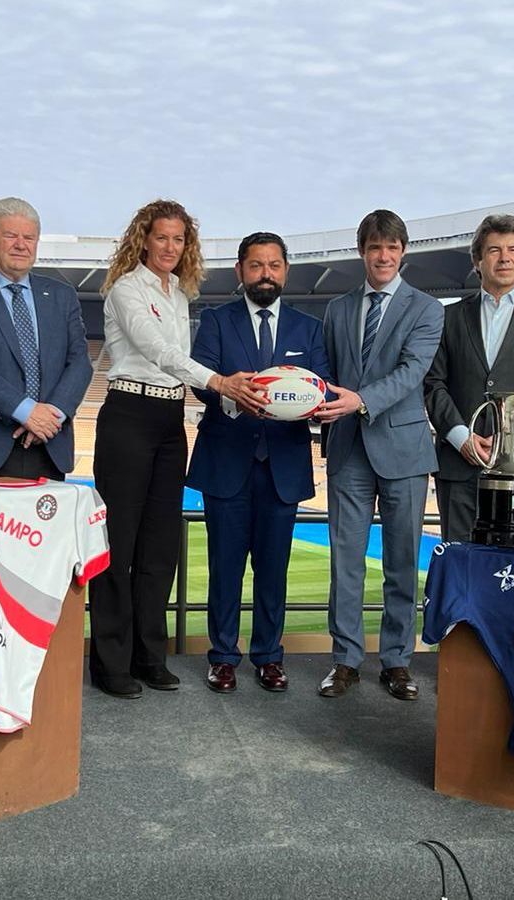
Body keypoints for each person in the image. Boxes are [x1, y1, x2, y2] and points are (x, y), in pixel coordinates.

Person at [89, 200, 262, 699]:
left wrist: (226, 393)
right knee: (118, 547)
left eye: (179, 239)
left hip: (168, 420)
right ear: (143, 238)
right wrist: (220, 383)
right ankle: (109, 663)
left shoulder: (179, 293)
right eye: (162, 237)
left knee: (160, 546)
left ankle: (149, 655)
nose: (170, 247)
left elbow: (176, 367)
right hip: (128, 414)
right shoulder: (126, 289)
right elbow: (160, 353)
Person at [186, 232, 330, 693]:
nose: (265, 274)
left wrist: (301, 402)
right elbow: (200, 382)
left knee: (274, 570)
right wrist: (230, 391)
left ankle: (269, 656)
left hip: (282, 468)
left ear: (285, 271)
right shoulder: (215, 321)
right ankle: (223, 656)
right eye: (255, 265)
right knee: (225, 569)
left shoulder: (308, 328)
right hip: (227, 461)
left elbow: (321, 387)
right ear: (240, 271)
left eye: (273, 265)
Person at [313, 209, 445, 701]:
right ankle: (345, 660)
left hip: (405, 451)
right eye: (374, 247)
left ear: (403, 252)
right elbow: (326, 372)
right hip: (348, 449)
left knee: (402, 561)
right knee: (345, 561)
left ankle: (396, 661)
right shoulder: (338, 308)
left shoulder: (428, 309)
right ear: (362, 252)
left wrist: (361, 400)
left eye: (392, 247)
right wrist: (315, 403)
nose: (383, 256)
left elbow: (413, 372)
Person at [425, 213, 514, 541]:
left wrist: (509, 443)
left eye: (513, 250)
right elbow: (434, 384)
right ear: (478, 260)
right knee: (461, 571)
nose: (504, 257)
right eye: (494, 250)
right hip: (460, 467)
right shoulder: (448, 316)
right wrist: (462, 437)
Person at [0, 197, 91, 480]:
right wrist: (25, 411)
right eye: (11, 235)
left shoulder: (62, 295)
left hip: (49, 445)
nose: (21, 244)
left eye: (29, 237)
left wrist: (52, 416)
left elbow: (80, 361)